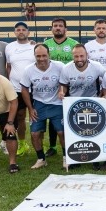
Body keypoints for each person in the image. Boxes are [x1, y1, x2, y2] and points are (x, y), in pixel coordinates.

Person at [20, 43, 66, 170]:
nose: (41, 59)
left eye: (44, 55)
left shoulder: (59, 66)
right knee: (35, 134)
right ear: (34, 56)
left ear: (49, 55)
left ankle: (66, 158)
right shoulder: (28, 70)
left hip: (57, 104)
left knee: (61, 132)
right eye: (38, 56)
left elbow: (65, 82)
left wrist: (62, 91)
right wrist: (30, 108)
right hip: (39, 104)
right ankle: (41, 159)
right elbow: (24, 89)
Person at [43, 17, 79, 157]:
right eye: (55, 26)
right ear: (52, 28)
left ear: (65, 29)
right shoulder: (46, 44)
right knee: (53, 117)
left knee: (71, 115)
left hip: (70, 86)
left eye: (60, 26)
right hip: (51, 88)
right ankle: (52, 146)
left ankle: (73, 143)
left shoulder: (74, 44)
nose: (58, 28)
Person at [5, 21, 36, 157]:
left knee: (37, 116)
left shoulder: (34, 46)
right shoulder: (9, 47)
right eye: (18, 30)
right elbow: (9, 66)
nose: (21, 32)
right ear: (14, 32)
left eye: (23, 29)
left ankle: (39, 143)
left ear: (28, 32)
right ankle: (23, 144)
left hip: (34, 88)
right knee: (20, 116)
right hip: (16, 88)